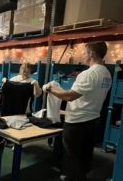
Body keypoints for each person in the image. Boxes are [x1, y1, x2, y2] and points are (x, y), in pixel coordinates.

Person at [45, 41, 112, 181]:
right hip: (93, 120)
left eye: (84, 52)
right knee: (85, 155)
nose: (82, 55)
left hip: (77, 122)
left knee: (72, 155)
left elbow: (70, 96)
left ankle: (73, 178)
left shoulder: (88, 74)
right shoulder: (106, 73)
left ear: (91, 53)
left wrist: (50, 89)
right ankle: (81, 176)